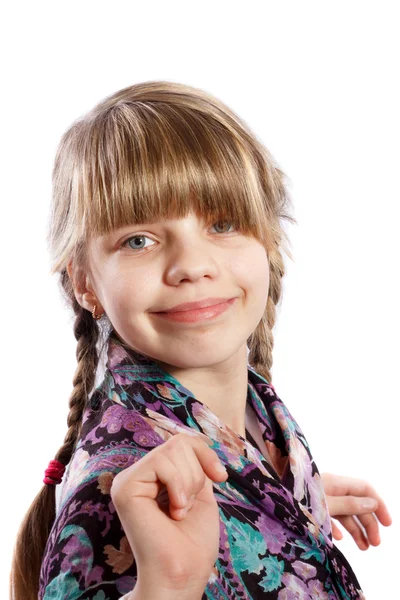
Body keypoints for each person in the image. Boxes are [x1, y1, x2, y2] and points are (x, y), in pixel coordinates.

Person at [10, 81, 391, 600]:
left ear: (269, 240)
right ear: (84, 280)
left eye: (223, 222)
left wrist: (277, 516)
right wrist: (167, 587)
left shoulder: (253, 422)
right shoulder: (118, 502)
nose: (192, 266)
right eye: (138, 239)